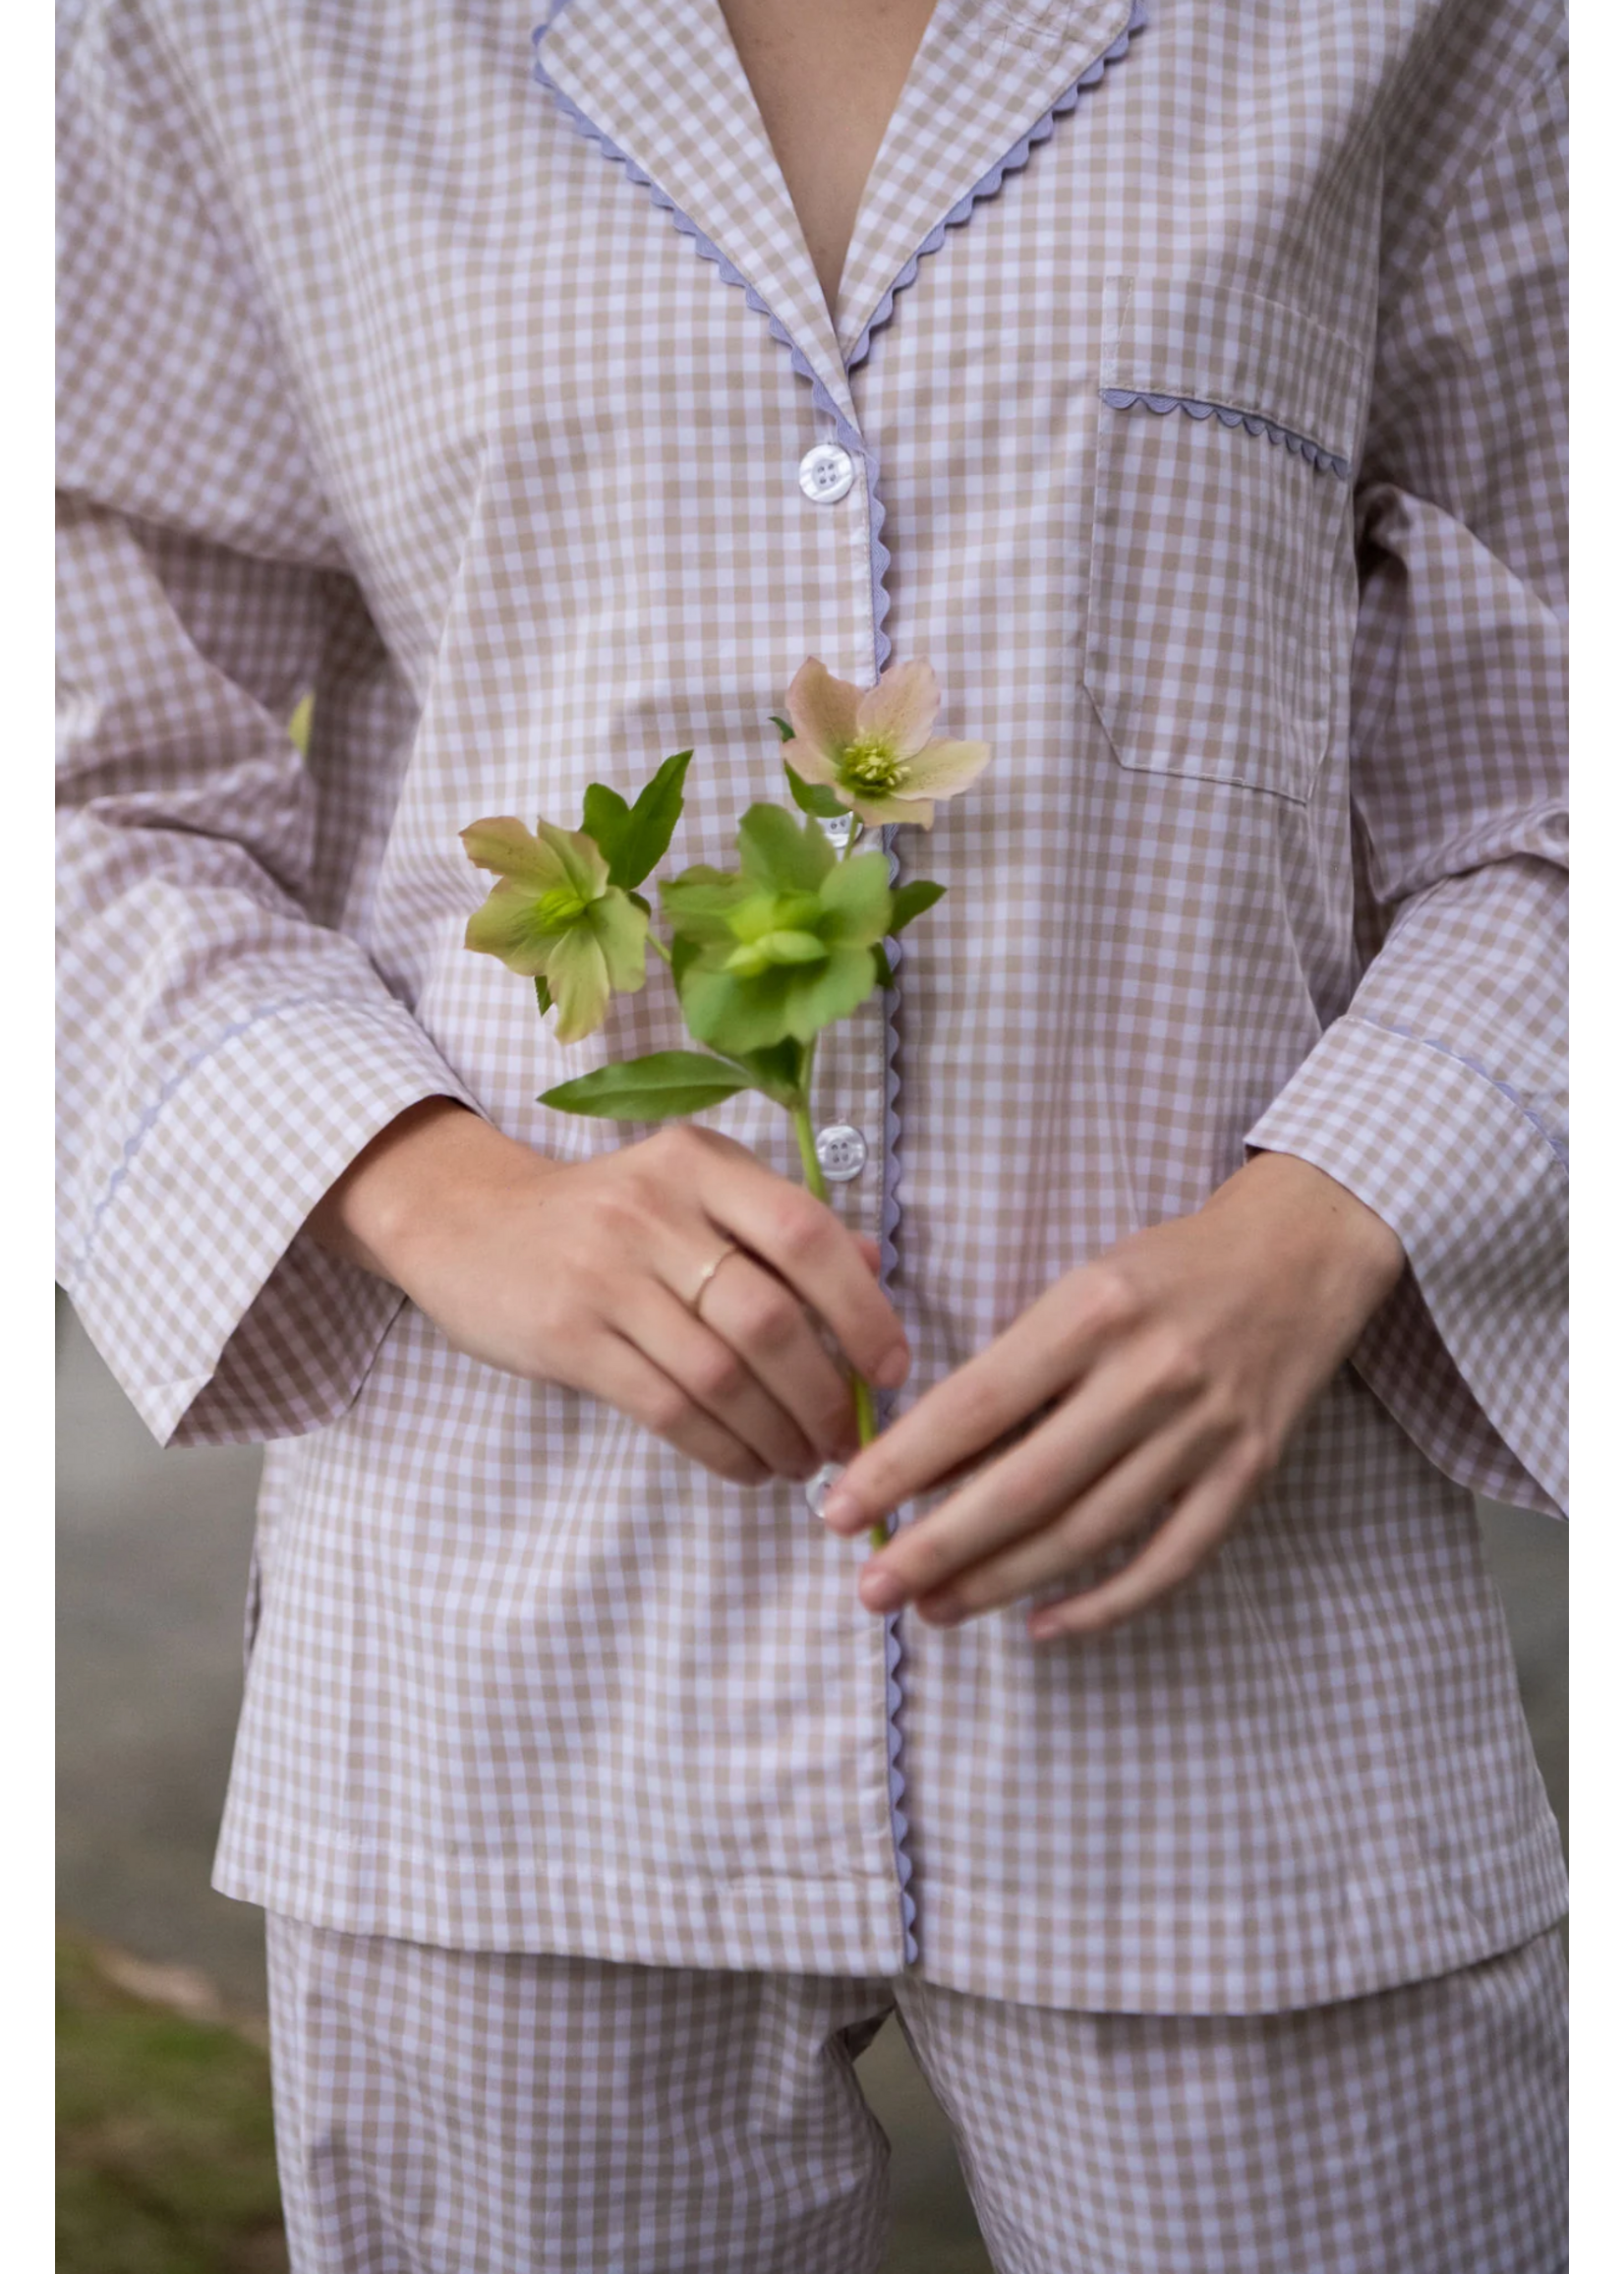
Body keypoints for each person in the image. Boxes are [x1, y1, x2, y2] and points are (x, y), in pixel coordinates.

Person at [56, 1, 1568, 2266]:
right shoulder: (231, 35)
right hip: (502, 1671)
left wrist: (1317, 1226)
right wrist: (452, 1198)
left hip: (1235, 1652)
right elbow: (103, 783)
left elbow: (1539, 777)